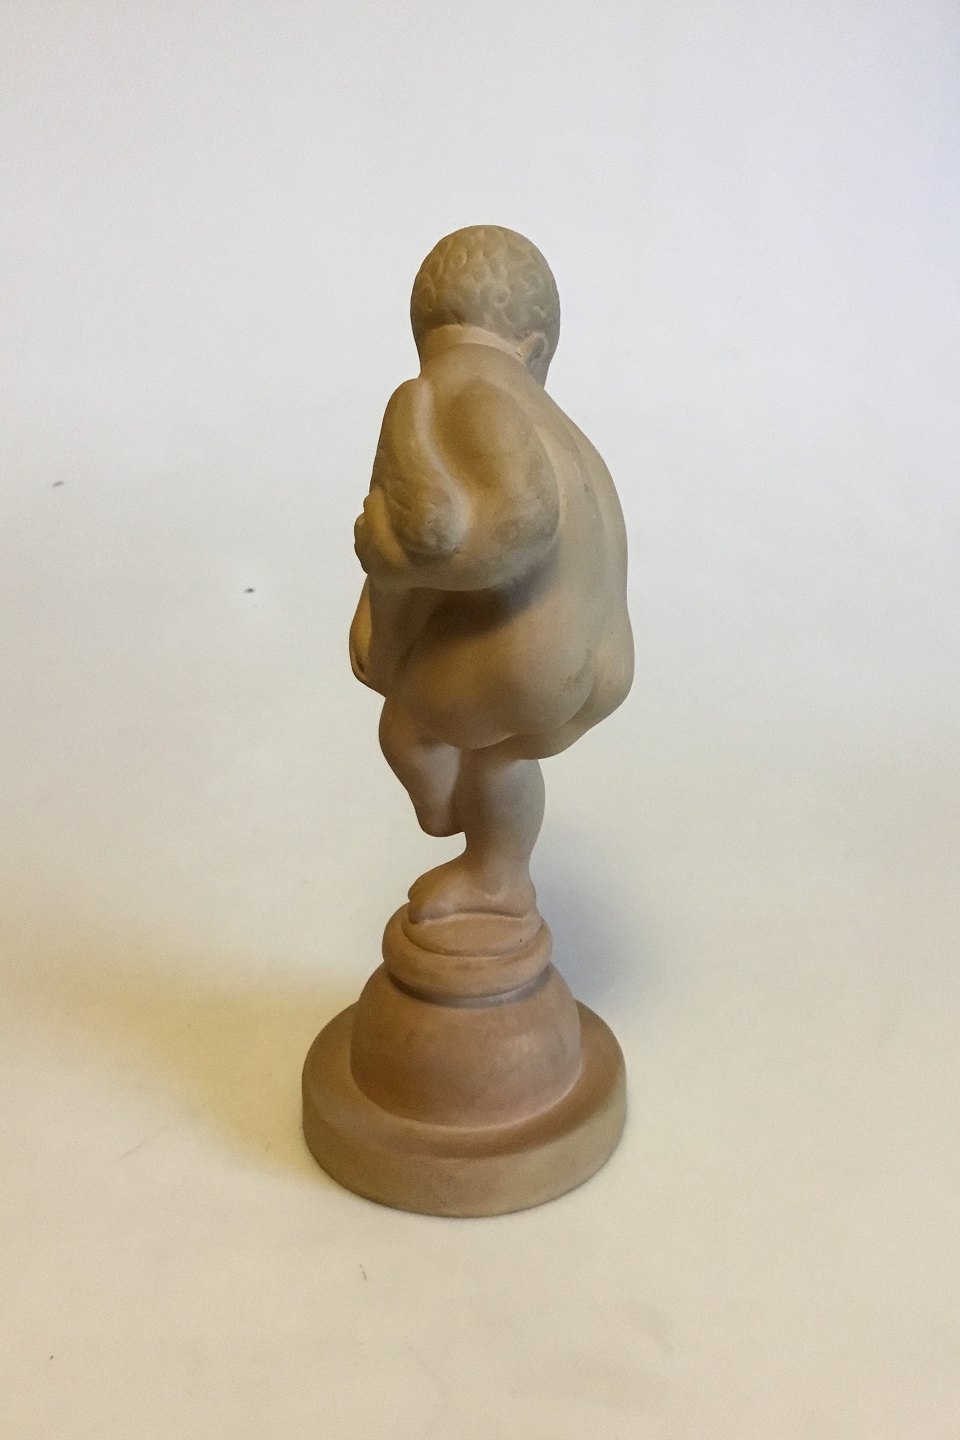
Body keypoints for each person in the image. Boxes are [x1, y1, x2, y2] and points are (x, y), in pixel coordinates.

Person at [349, 225, 633, 922]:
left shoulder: (458, 387)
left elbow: (517, 525)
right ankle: (499, 876)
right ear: (534, 348)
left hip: (527, 662)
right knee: (498, 755)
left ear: (424, 333)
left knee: (412, 726)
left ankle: (451, 822)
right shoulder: (564, 428)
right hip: (603, 661)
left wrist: (388, 564)